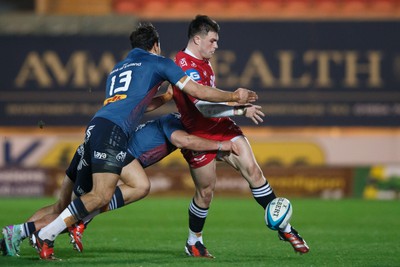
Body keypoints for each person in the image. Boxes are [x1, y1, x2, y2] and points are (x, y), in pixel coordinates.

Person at [27, 22, 257, 260]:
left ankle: (32, 232)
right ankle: (46, 234)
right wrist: (233, 97)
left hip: (98, 126)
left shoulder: (118, 68)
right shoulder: (160, 63)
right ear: (155, 45)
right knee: (100, 195)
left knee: (138, 186)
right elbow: (197, 91)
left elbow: (139, 105)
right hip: (113, 132)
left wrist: (166, 97)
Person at [1, 112, 239, 256]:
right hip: (113, 154)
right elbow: (185, 140)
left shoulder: (174, 121)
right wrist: (222, 146)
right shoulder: (176, 122)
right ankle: (43, 230)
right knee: (133, 189)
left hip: (92, 147)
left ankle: (14, 233)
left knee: (62, 207)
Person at [171, 15, 309, 257]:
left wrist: (233, 111)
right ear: (197, 39)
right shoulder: (185, 66)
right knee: (205, 192)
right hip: (198, 135)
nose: (216, 46)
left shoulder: (205, 61)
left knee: (254, 172)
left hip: (222, 126)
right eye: (212, 41)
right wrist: (239, 108)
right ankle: (194, 241)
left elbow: (212, 101)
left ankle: (285, 228)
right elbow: (202, 107)